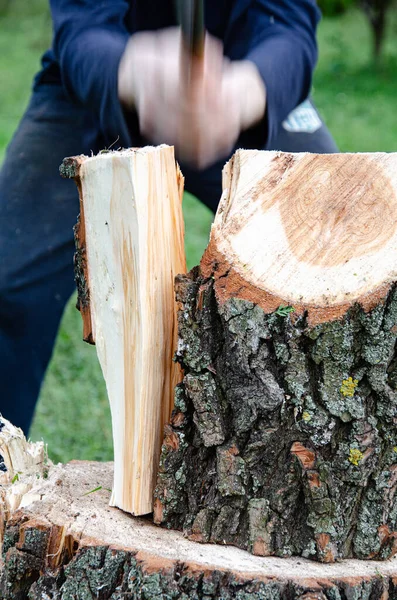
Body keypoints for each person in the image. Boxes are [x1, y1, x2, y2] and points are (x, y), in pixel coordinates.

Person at [0, 0, 338, 435]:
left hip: (243, 82)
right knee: (8, 283)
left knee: (339, 247)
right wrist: (132, 73)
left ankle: (315, 467)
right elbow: (81, 27)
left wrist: (245, 92)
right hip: (94, 85)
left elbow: (289, 24)